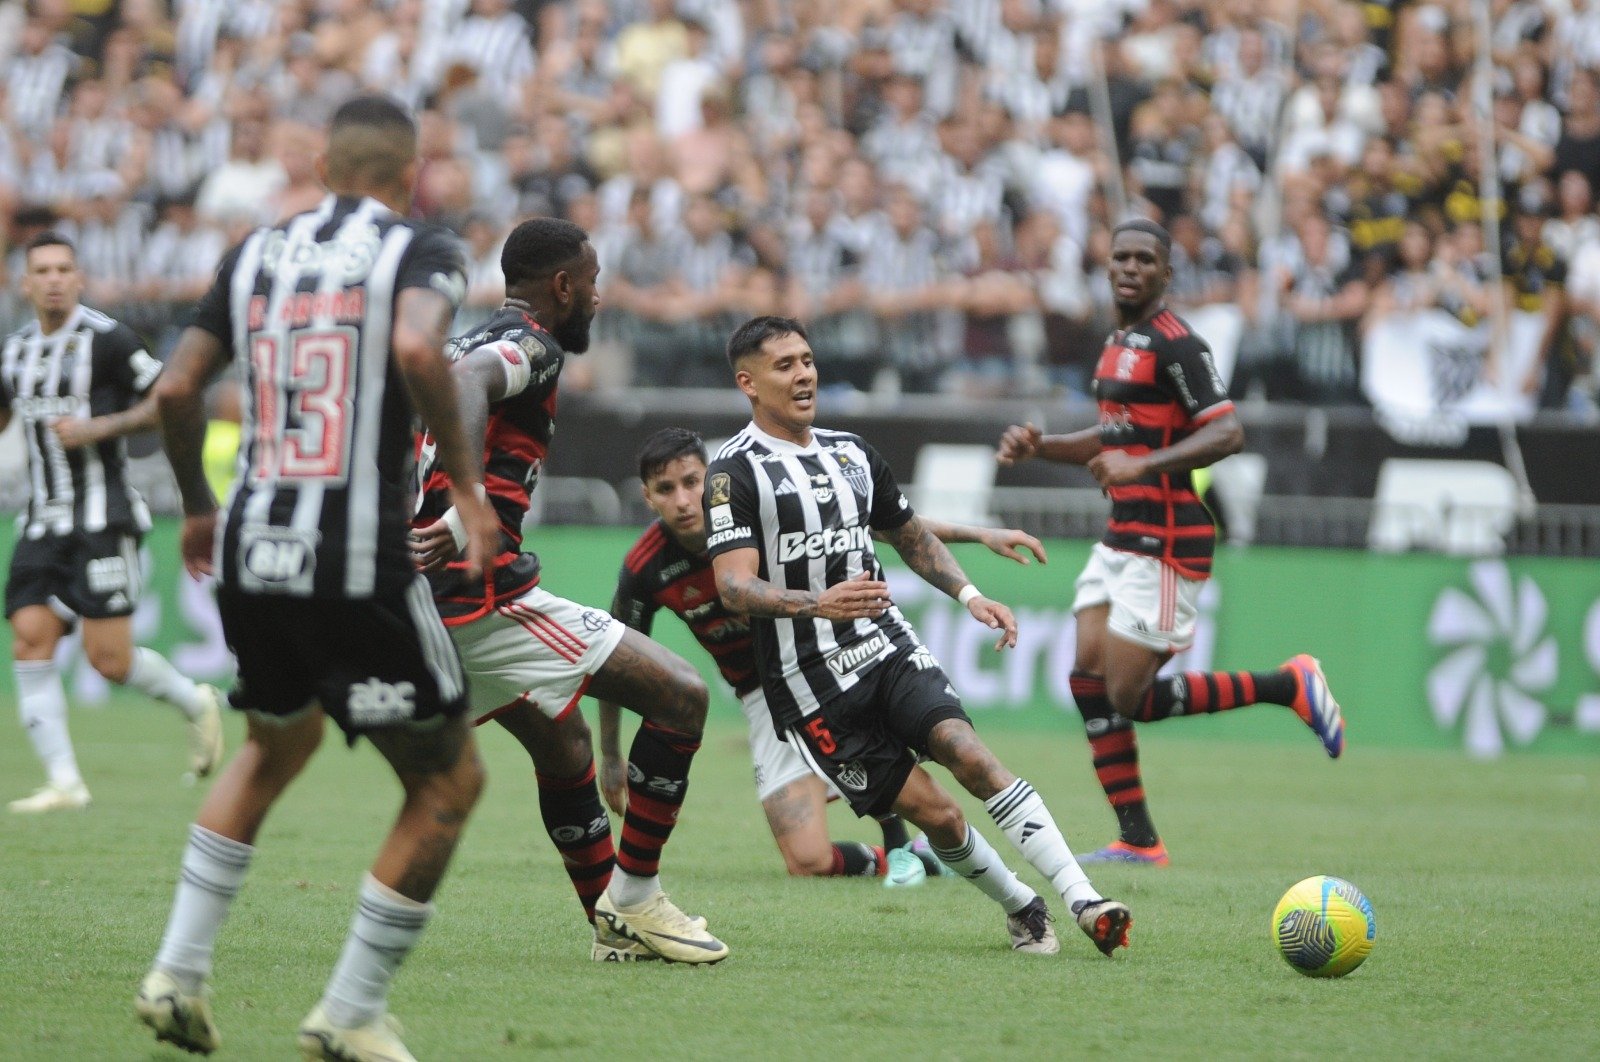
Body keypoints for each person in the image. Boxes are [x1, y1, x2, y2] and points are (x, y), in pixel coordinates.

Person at [134, 95, 500, 1061]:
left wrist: (198, 505)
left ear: (325, 168)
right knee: (449, 777)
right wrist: (467, 490)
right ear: (410, 173)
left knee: (276, 743)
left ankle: (176, 973)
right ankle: (349, 1012)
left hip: (254, 543)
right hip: (355, 551)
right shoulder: (421, 247)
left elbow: (176, 387)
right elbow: (416, 346)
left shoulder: (254, 251)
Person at [704, 314, 1131, 958]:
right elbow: (733, 587)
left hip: (884, 646)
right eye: (784, 365)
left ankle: (1085, 901)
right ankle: (1022, 907)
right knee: (941, 816)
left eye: (807, 360)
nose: (803, 375)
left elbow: (908, 536)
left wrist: (970, 594)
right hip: (810, 686)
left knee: (970, 755)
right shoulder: (732, 473)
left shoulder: (851, 452)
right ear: (749, 383)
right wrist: (818, 603)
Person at [406, 218, 728, 965]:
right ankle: (636, 899)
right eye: (592, 281)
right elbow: (471, 382)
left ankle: (612, 929)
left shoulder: (460, 340)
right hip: (481, 596)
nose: (598, 295)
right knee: (681, 696)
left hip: (426, 596)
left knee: (562, 740)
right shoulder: (532, 345)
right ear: (562, 286)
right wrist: (465, 509)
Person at [996, 218, 1346, 868]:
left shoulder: (1178, 344)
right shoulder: (1116, 342)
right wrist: (1042, 447)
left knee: (1130, 698)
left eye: (1144, 259)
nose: (1129, 268)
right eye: (1121, 257)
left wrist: (1143, 467)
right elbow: (1113, 438)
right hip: (1121, 536)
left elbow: (1227, 432)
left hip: (1166, 540)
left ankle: (1287, 684)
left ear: (1165, 272)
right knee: (1087, 678)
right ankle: (1137, 839)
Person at [606, 427, 1051, 884]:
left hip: (823, 660)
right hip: (761, 695)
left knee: (888, 743)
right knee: (808, 862)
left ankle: (902, 841)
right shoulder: (646, 567)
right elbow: (617, 660)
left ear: (713, 478)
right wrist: (610, 756)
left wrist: (980, 534)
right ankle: (913, 856)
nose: (682, 500)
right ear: (648, 497)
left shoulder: (752, 508)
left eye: (692, 482)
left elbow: (889, 524)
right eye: (666, 489)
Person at [1, 232, 224, 814]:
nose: (53, 279)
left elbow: (170, 399)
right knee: (30, 638)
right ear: (25, 284)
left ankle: (194, 700)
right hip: (41, 518)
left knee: (110, 661)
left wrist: (100, 428)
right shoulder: (14, 351)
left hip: (105, 517)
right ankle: (64, 783)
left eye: (63, 269)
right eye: (42, 270)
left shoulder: (109, 340)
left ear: (79, 278)